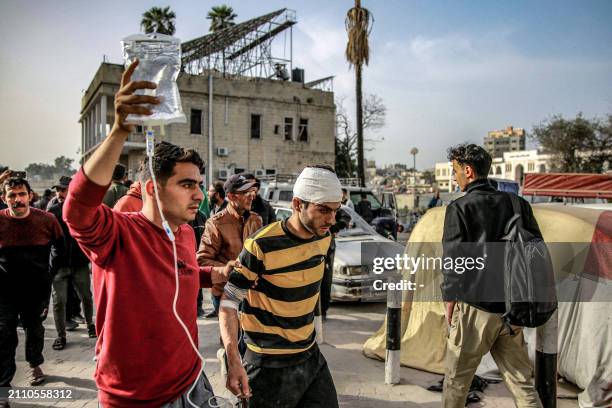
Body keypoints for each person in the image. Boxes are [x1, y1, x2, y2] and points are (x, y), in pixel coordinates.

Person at [63, 60, 227, 407]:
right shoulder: (119, 231)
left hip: (192, 379)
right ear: (151, 188)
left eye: (199, 184)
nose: (199, 194)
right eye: (186, 184)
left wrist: (216, 274)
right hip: (136, 398)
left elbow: (178, 277)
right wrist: (119, 130)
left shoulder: (183, 232)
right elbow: (77, 210)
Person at [219, 165, 341, 408]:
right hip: (267, 364)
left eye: (335, 210)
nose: (331, 219)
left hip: (309, 356)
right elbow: (229, 302)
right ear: (297, 204)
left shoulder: (325, 237)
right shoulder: (261, 245)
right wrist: (233, 358)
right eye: (323, 210)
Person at [441, 144, 543, 408]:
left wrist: (449, 305)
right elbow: (536, 253)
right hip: (512, 310)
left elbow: (454, 261)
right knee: (523, 384)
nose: (454, 177)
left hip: (475, 310)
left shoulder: (459, 208)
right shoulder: (518, 204)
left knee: (456, 383)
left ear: (468, 170)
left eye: (455, 171)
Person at [0, 177, 63, 393]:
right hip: (5, 291)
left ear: (30, 196)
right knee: (4, 334)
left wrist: (49, 273)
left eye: (21, 194)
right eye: (12, 195)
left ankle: (35, 364)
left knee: (34, 329)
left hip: (36, 289)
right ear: (3, 198)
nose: (17, 200)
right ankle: (4, 385)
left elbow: (59, 247)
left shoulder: (47, 220)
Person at [197, 175, 262, 319]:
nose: (251, 196)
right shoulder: (215, 223)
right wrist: (233, 271)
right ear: (231, 196)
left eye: (252, 192)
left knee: (249, 340)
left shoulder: (256, 220)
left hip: (251, 293)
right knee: (231, 339)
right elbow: (202, 260)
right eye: (245, 193)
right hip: (225, 292)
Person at [47, 176, 96, 351]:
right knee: (59, 301)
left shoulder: (81, 209)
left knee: (86, 296)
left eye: (62, 189)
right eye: (57, 190)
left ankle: (91, 324)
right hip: (59, 264)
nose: (59, 193)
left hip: (79, 262)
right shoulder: (52, 211)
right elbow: (48, 238)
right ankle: (61, 335)